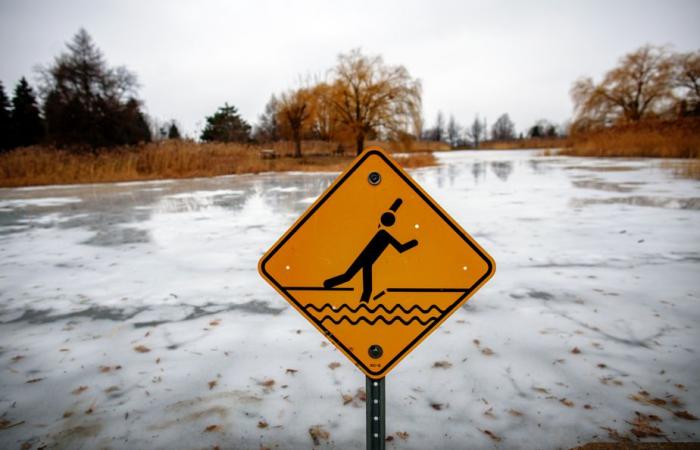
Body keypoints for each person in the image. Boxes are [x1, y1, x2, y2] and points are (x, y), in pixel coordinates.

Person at [324, 198, 418, 302]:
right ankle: (328, 284)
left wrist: (397, 204)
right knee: (351, 279)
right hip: (364, 259)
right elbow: (401, 248)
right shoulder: (384, 234)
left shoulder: (381, 231)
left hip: (367, 261)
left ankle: (361, 304)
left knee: (356, 282)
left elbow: (388, 215)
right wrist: (414, 242)